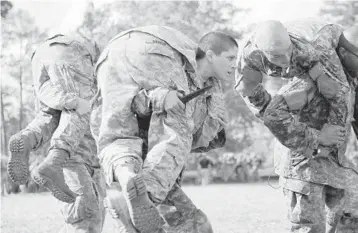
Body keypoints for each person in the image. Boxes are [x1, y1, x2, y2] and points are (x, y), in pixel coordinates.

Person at [90, 25, 238, 233]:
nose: (235, 64)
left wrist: (159, 97)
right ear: (211, 55)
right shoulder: (190, 71)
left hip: (110, 55)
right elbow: (181, 138)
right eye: (231, 58)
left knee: (119, 134)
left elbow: (136, 104)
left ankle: (126, 178)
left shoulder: (198, 87)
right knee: (178, 130)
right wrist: (166, 97)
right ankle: (143, 196)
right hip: (153, 45)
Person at [236, 20, 358, 232]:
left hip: (334, 163)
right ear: (345, 55)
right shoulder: (307, 81)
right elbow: (272, 114)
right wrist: (317, 138)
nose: (284, 61)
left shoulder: (348, 79)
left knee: (352, 215)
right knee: (310, 228)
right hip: (304, 166)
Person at [7, 31, 107, 232]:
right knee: (80, 104)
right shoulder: (98, 63)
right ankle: (54, 162)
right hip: (70, 52)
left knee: (50, 112)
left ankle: (27, 138)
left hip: (42, 55)